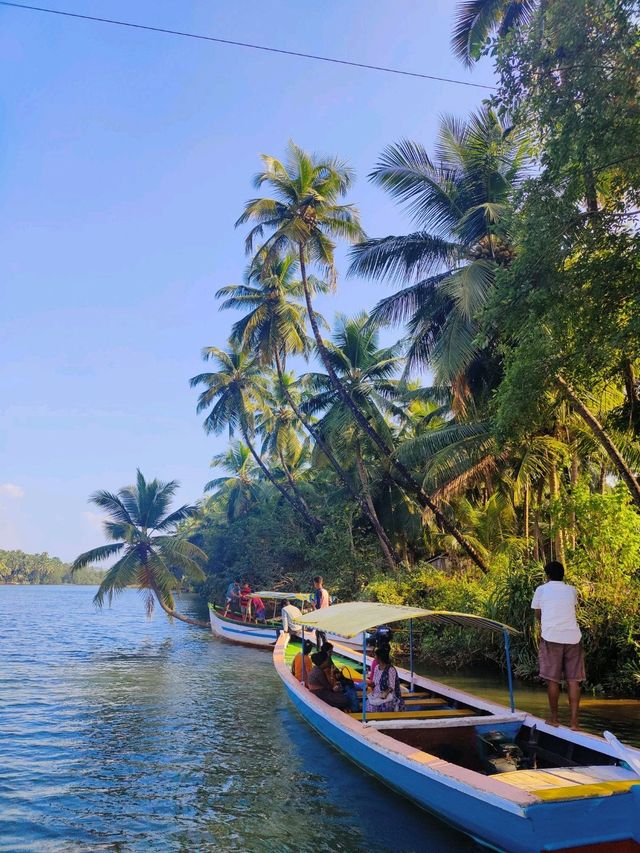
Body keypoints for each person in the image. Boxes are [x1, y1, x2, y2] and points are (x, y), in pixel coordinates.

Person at [532, 560, 585, 731]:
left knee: (553, 680)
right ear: (563, 575)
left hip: (551, 637)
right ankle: (575, 723)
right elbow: (571, 609)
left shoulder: (541, 590)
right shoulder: (571, 590)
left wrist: (547, 625)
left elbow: (538, 614)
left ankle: (554, 719)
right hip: (573, 638)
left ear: (547, 575)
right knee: (573, 681)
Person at [367, 647, 404, 713]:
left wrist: (385, 693)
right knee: (368, 705)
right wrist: (369, 684)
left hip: (389, 695)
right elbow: (375, 683)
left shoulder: (390, 669)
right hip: (377, 694)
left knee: (385, 705)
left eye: (375, 655)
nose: (374, 657)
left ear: (380, 658)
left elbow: (391, 687)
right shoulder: (376, 668)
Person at [312, 575, 330, 649]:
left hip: (320, 615)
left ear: (316, 583)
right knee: (319, 633)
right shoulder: (326, 591)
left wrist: (313, 605)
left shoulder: (318, 592)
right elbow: (329, 602)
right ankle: (319, 649)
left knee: (321, 634)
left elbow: (318, 606)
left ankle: (325, 650)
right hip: (326, 614)